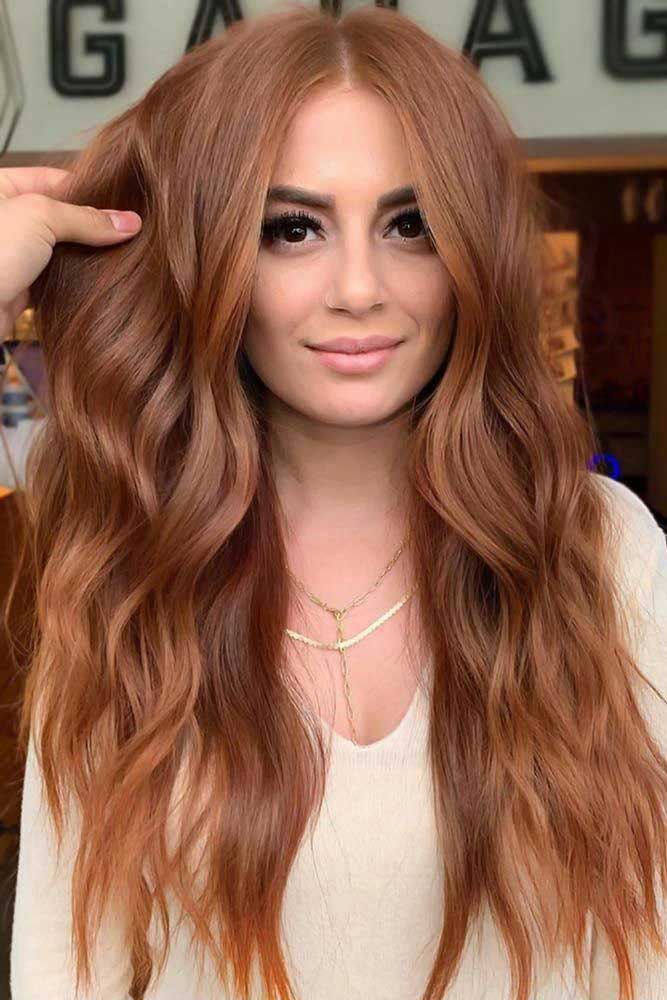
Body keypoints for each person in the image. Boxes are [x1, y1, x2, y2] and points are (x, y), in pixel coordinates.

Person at [4, 4, 667, 999]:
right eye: (292, 229)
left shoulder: (596, 548)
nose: (359, 287)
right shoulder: (129, 566)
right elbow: (68, 960)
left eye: (411, 225)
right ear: (212, 254)